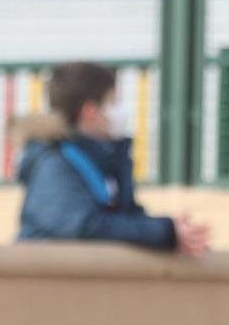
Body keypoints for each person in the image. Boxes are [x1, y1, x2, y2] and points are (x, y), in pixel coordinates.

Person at [16, 61, 211, 255]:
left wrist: (177, 233)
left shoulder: (104, 161)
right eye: (113, 102)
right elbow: (84, 226)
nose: (121, 111)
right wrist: (165, 231)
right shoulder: (53, 163)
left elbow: (125, 217)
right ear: (90, 111)